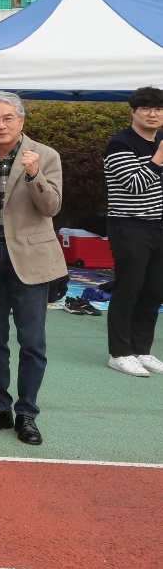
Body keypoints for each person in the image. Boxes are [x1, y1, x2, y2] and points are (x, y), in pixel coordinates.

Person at [0, 92, 65, 445]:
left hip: (30, 260)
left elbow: (51, 207)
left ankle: (27, 413)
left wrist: (34, 174)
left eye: (7, 118)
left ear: (21, 120)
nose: (0, 125)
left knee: (32, 342)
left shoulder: (45, 155)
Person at [101, 86, 163, 378]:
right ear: (133, 112)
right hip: (130, 226)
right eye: (146, 109)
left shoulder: (161, 139)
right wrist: (158, 158)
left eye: (159, 109)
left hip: (158, 226)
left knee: (154, 292)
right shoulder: (120, 143)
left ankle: (142, 349)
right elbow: (135, 186)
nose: (153, 114)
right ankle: (120, 353)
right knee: (129, 290)